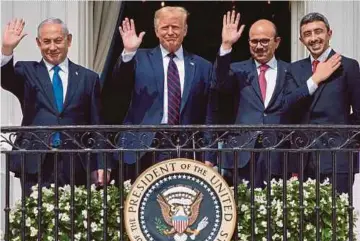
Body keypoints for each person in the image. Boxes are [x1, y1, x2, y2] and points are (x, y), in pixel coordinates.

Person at [101, 6, 213, 182]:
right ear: (156, 31)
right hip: (142, 148)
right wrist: (129, 52)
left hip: (185, 149)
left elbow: (209, 113)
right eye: (164, 27)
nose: (170, 32)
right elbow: (118, 86)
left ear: (185, 30)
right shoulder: (138, 58)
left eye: (175, 27)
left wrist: (208, 154)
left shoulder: (202, 66)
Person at [1, 18, 107, 195]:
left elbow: (97, 124)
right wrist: (6, 49)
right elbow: (5, 79)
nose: (52, 47)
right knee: (36, 219)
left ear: (69, 40)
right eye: (46, 41)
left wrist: (101, 164)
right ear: (38, 42)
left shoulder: (88, 78)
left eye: (58, 41)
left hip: (75, 162)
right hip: (36, 161)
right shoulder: (27, 71)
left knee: (75, 220)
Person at [206, 10, 290, 187]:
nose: (259, 46)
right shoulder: (237, 70)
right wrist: (226, 45)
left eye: (265, 41)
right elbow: (219, 82)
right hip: (241, 154)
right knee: (241, 208)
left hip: (277, 154)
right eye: (254, 41)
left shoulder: (290, 72)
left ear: (277, 42)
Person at [283, 12, 360, 194]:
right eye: (307, 34)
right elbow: (286, 104)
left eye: (318, 31)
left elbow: (358, 113)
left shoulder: (347, 66)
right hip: (302, 157)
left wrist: (345, 143)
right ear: (301, 40)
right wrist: (315, 79)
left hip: (337, 156)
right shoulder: (294, 69)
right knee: (303, 219)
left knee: (336, 217)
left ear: (329, 34)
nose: (314, 38)